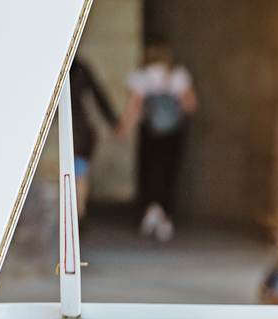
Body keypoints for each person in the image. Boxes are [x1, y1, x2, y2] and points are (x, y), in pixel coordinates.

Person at [116, 42, 198, 242]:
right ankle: (166, 217)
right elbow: (191, 105)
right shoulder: (178, 76)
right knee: (169, 172)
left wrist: (123, 127)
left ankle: (152, 209)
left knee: (149, 170)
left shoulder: (142, 77)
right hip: (173, 133)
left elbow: (135, 105)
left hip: (150, 132)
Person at [69, 58, 119, 219]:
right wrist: (113, 122)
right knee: (79, 174)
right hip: (79, 128)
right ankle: (79, 213)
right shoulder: (80, 68)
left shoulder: (48, 65)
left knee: (75, 172)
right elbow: (99, 96)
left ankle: (75, 214)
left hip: (63, 128)